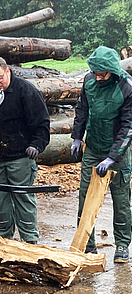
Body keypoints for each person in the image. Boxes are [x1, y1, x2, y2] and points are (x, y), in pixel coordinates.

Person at [71, 46, 132, 262]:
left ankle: (123, 244)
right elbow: (82, 110)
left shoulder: (126, 87)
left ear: (112, 71)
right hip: (94, 147)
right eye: (95, 72)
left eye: (101, 73)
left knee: (121, 200)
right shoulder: (89, 81)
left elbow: (128, 126)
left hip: (118, 152)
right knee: (85, 197)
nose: (97, 77)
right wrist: (77, 137)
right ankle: (87, 245)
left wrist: (113, 157)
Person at [0, 55, 50, 243]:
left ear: (7, 72)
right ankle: (4, 237)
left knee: (23, 198)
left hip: (20, 155)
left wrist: (37, 145)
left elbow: (42, 123)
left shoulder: (25, 91)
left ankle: (30, 240)